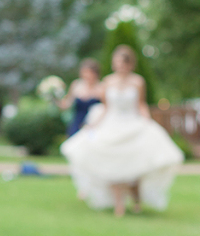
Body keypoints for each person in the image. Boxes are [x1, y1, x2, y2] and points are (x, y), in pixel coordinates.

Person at [60, 45, 184, 217]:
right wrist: (94, 125)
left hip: (132, 124)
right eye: (117, 63)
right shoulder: (108, 82)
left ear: (130, 64)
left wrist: (147, 120)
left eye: (123, 63)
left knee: (134, 165)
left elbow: (141, 104)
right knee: (113, 165)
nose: (120, 67)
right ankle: (119, 205)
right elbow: (105, 108)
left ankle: (136, 199)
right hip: (112, 124)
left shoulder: (138, 81)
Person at [58, 58, 102, 135]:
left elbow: (106, 108)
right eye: (85, 72)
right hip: (78, 122)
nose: (87, 75)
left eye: (89, 72)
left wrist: (94, 123)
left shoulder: (101, 87)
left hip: (95, 123)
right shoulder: (76, 84)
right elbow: (66, 105)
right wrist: (55, 96)